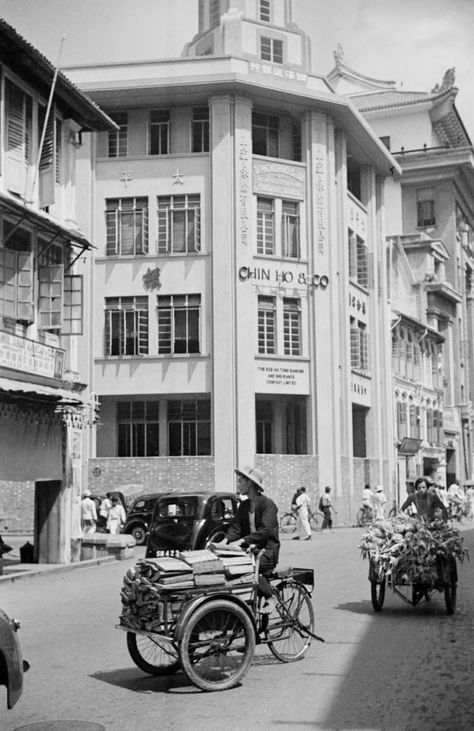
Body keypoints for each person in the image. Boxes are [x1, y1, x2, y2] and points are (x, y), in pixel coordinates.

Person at [223, 465, 280, 614]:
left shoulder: (268, 505)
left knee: (246, 568)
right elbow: (236, 528)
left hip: (267, 553)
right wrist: (224, 541)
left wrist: (242, 541)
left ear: (250, 483)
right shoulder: (244, 505)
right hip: (250, 552)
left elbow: (265, 530)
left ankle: (271, 596)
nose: (238, 484)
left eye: (241, 481)